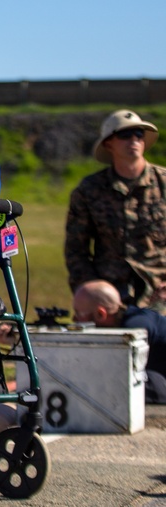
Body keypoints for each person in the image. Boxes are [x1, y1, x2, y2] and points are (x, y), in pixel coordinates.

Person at [64, 110, 166, 311]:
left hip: (160, 293)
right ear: (109, 143)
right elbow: (76, 251)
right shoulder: (89, 190)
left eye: (139, 134)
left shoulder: (164, 183)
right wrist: (92, 292)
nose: (134, 140)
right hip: (111, 299)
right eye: (125, 135)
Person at [72, 280, 166, 403]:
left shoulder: (132, 330)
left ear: (101, 314)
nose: (74, 319)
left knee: (116, 385)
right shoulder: (130, 317)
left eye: (79, 313)